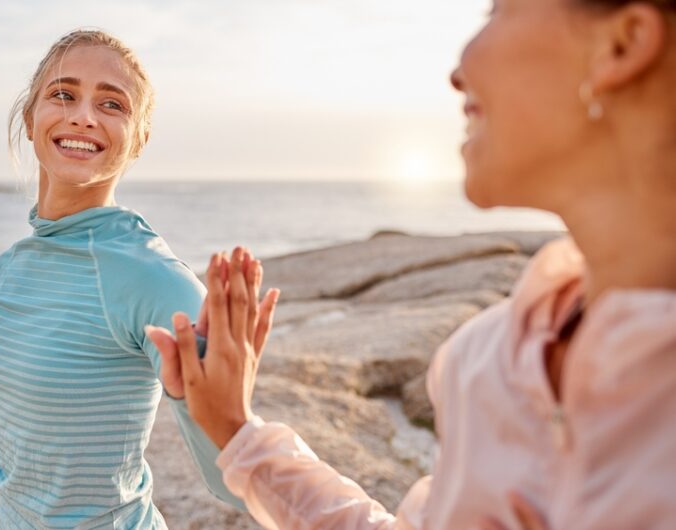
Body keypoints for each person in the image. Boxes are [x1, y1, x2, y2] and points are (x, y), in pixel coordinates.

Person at [147, 0, 676, 528]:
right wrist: (236, 430)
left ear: (622, 44)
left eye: (497, 10)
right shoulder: (499, 350)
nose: (456, 73)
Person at [0, 29, 244, 530]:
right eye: (63, 94)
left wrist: (222, 407)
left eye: (112, 105)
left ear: (140, 140)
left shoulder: (157, 281)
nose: (83, 115)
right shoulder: (8, 269)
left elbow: (231, 482)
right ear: (30, 119)